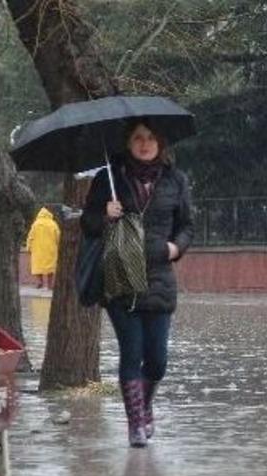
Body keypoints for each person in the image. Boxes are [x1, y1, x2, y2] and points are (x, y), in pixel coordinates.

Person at [81, 119, 194, 448]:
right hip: (120, 281)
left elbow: (187, 226)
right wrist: (105, 214)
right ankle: (135, 425)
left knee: (157, 360)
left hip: (159, 280)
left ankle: (144, 405)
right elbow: (88, 224)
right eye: (137, 138)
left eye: (150, 138)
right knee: (132, 351)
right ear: (127, 143)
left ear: (160, 143)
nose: (144, 144)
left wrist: (176, 248)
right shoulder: (109, 179)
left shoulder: (176, 181)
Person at [25, 206, 60, 290]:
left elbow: (30, 236)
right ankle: (49, 285)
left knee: (38, 267)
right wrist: (59, 246)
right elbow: (58, 236)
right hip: (50, 249)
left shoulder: (36, 224)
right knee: (50, 268)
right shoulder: (53, 224)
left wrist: (28, 247)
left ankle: (40, 282)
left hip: (38, 250)